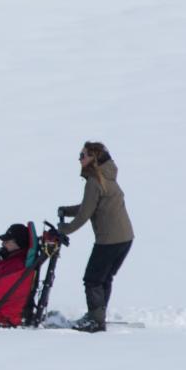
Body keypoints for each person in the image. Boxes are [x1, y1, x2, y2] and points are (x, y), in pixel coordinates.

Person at [58, 140, 133, 333]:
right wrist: (67, 211)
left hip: (109, 240)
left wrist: (64, 229)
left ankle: (95, 321)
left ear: (93, 157)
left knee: (92, 279)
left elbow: (85, 214)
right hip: (124, 238)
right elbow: (91, 206)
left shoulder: (94, 181)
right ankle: (97, 315)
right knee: (104, 278)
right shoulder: (107, 177)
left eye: (82, 156)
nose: (79, 159)